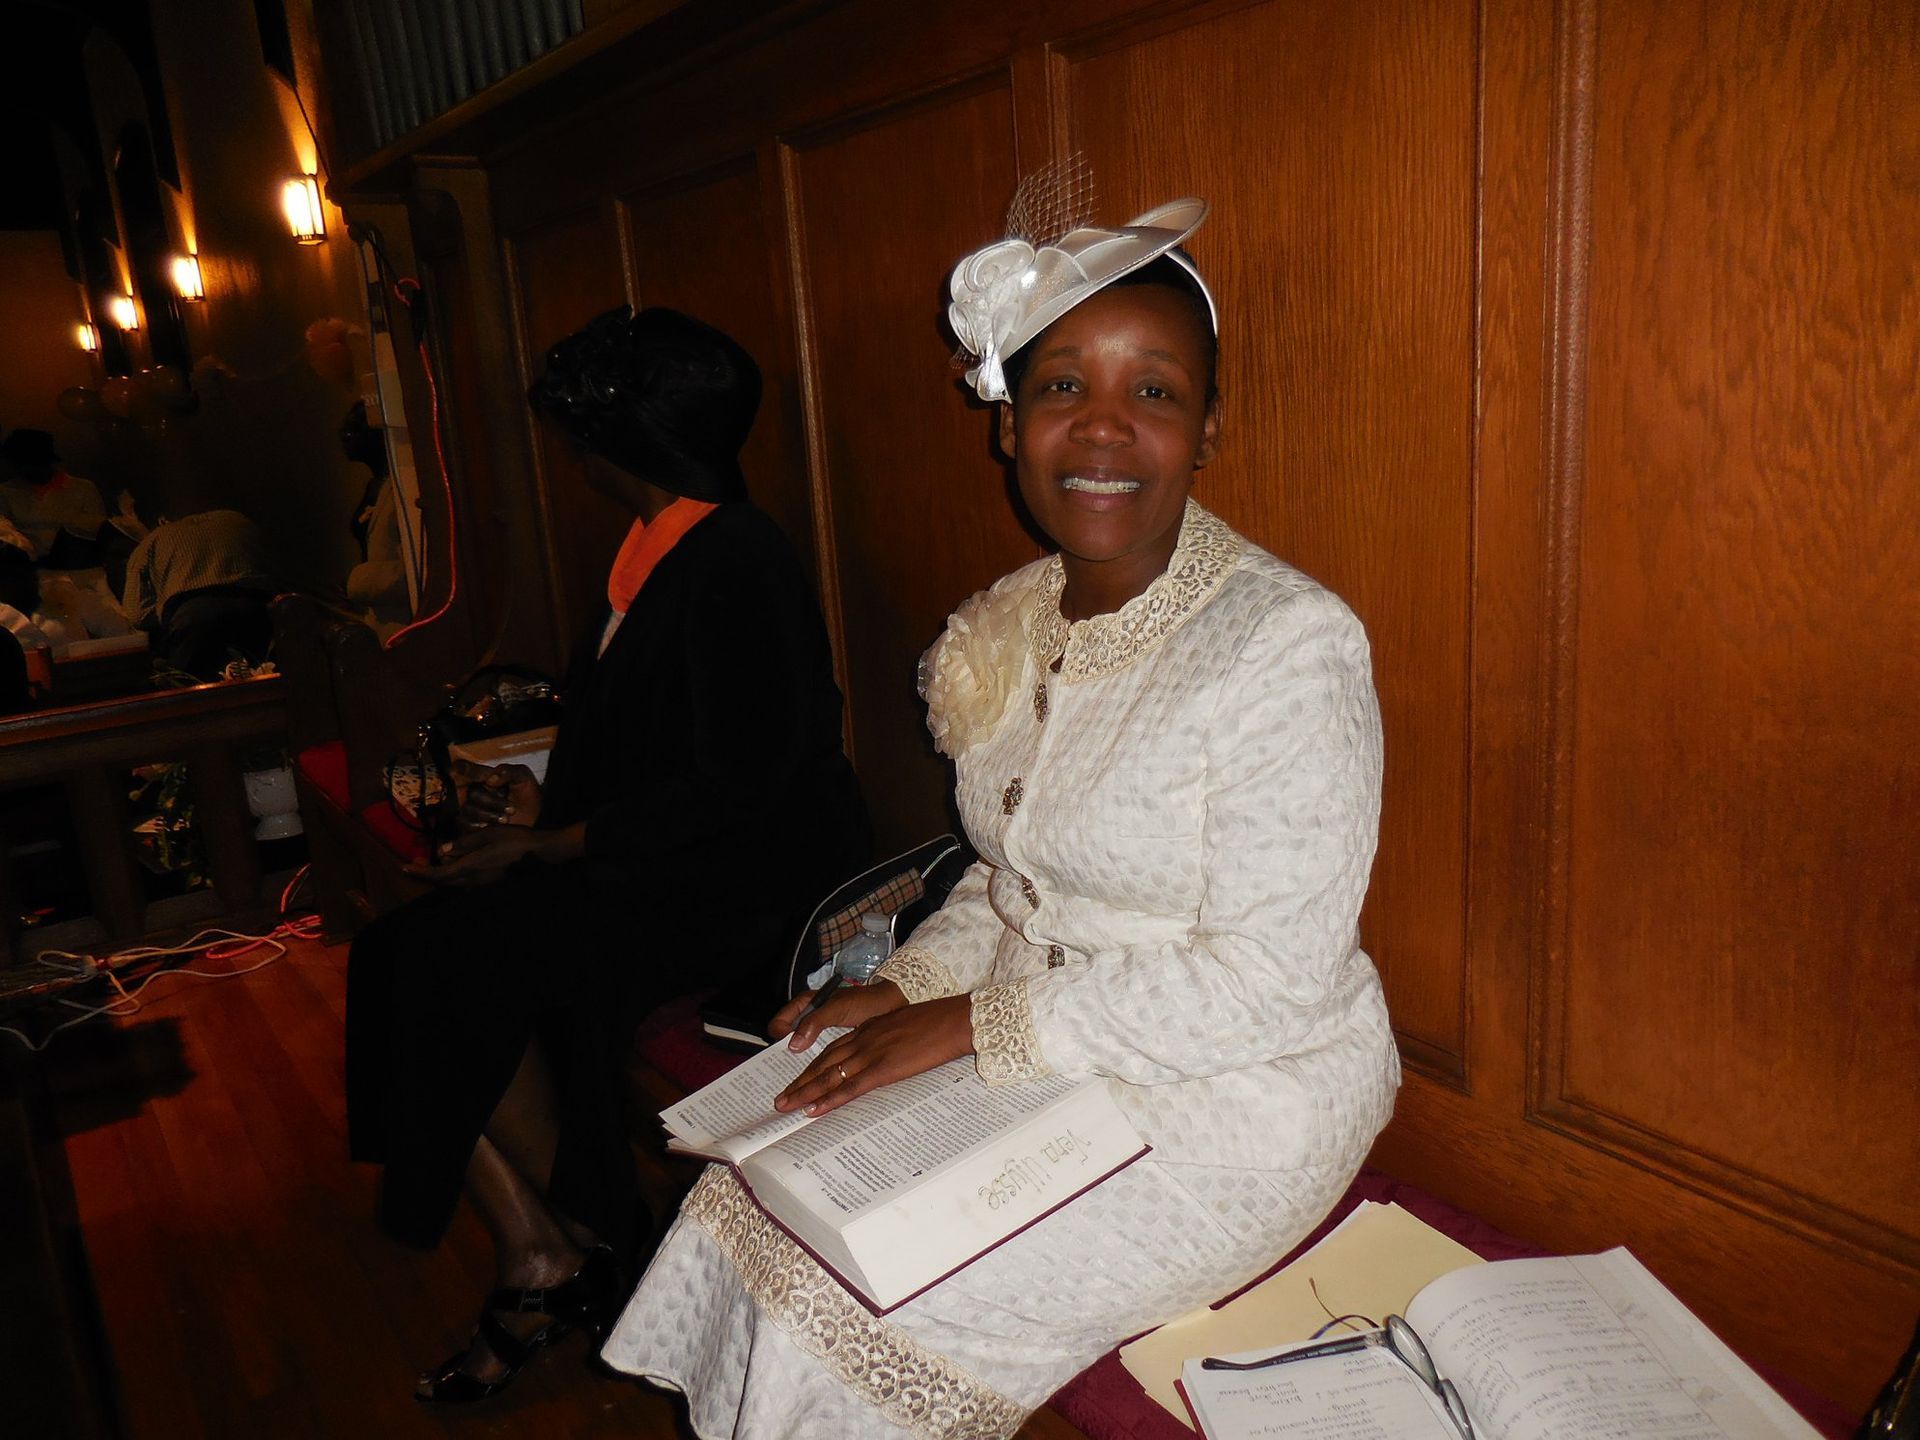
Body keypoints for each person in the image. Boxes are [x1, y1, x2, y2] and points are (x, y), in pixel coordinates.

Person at [598, 194, 1401, 1437]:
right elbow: (1007, 874)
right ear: (1009, 425)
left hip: (1238, 1094)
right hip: (1035, 1044)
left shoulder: (1288, 644)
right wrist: (916, 987)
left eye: (1155, 393)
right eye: (1063, 385)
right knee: (749, 1203)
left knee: (868, 1304)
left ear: (1207, 432)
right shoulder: (1012, 620)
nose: (1103, 428)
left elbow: (1271, 982)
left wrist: (979, 1024)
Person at [344, 306, 871, 1404]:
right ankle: (551, 1246)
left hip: (748, 885)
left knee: (441, 960)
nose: (571, 455)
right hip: (666, 854)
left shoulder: (737, 560)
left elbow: (741, 783)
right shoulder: (659, 541)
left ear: (616, 445)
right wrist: (540, 795)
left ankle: (568, 1247)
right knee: (401, 954)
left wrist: (553, 842)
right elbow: (648, 740)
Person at [119, 508, 278, 678]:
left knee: (185, 687)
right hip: (257, 610)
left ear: (162, 520)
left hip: (192, 620)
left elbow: (138, 614)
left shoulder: (152, 541)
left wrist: (166, 606)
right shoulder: (238, 519)